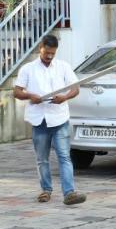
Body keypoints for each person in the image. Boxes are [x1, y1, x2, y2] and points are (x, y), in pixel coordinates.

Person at [14, 34, 86, 206]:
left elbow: (75, 88)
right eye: (47, 52)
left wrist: (65, 97)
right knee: (42, 159)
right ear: (41, 47)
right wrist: (30, 95)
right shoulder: (28, 69)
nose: (49, 56)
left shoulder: (63, 67)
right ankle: (46, 190)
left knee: (64, 156)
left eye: (52, 53)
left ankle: (69, 193)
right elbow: (17, 92)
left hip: (59, 117)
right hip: (39, 120)